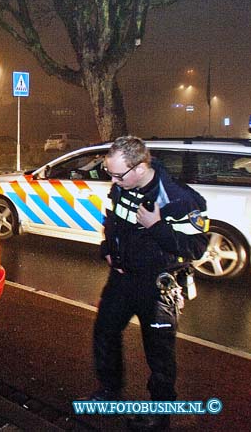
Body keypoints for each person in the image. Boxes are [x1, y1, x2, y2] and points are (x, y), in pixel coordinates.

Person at [89, 136, 208, 431]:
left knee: (159, 355)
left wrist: (157, 226)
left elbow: (196, 248)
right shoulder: (122, 187)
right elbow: (112, 222)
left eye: (119, 174)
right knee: (104, 334)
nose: (114, 181)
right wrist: (107, 250)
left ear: (141, 167)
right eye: (110, 173)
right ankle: (109, 391)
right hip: (121, 279)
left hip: (157, 287)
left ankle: (159, 413)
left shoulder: (180, 199)